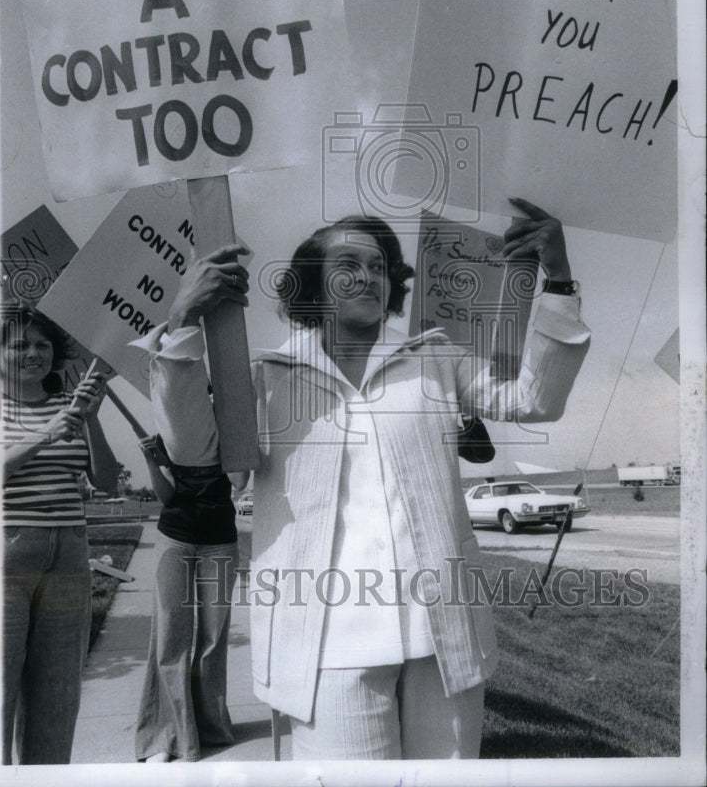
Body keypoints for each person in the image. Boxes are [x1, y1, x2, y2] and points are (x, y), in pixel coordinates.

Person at [134, 197, 591, 761]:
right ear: (312, 285)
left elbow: (535, 399)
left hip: (442, 634)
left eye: (379, 266)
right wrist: (181, 327)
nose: (369, 276)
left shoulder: (435, 360)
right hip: (327, 644)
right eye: (348, 265)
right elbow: (191, 448)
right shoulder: (265, 377)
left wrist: (560, 280)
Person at [1, 306, 119, 765]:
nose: (34, 353)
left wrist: (89, 418)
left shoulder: (69, 406)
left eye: (43, 345)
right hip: (4, 557)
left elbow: (106, 481)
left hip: (69, 556)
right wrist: (45, 436)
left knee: (57, 691)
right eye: (20, 344)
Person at [132, 426, 239, 763]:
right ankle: (164, 737)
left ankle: (207, 726)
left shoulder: (231, 430)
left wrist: (231, 439)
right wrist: (152, 461)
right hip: (174, 537)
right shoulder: (170, 432)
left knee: (213, 637)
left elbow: (241, 481)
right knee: (170, 635)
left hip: (220, 539)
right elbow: (167, 496)